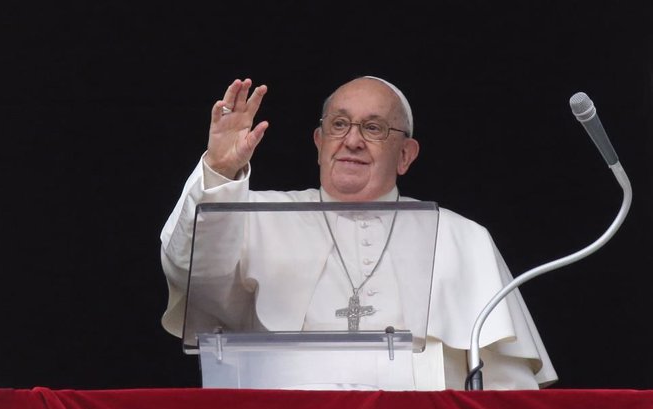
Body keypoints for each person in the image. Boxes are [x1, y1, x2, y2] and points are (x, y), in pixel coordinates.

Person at [159, 76, 558, 390]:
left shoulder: (461, 238)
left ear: (405, 155)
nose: (352, 140)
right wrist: (220, 170)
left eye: (374, 128)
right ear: (319, 143)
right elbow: (189, 272)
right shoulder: (254, 215)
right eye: (339, 124)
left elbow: (508, 390)